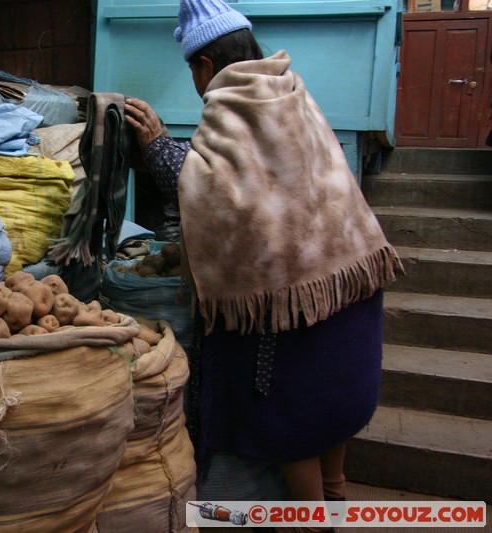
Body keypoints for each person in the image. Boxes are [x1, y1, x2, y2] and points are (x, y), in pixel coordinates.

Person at [124, 0, 404, 528]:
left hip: (292, 300)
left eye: (192, 72)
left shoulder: (231, 102)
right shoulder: (286, 87)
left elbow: (218, 191)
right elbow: (256, 179)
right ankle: (336, 493)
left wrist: (159, 146)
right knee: (334, 406)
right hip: (343, 275)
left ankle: (314, 516)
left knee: (288, 416)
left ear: (204, 66)